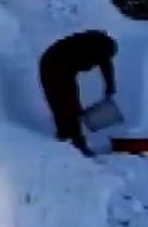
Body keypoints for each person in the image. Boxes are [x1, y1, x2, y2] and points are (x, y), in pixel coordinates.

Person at [38, 29, 117, 157]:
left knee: (64, 105)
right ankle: (75, 143)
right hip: (56, 66)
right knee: (64, 106)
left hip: (52, 64)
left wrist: (110, 87)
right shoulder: (92, 46)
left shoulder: (98, 46)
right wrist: (75, 107)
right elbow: (68, 94)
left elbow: (106, 66)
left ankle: (65, 139)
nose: (97, 65)